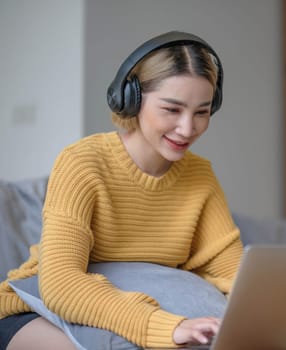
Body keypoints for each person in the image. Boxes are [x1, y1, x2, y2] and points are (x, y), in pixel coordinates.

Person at [0, 31, 243, 349]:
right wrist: (162, 326)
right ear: (131, 99)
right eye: (172, 109)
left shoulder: (200, 175)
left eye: (201, 112)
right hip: (36, 311)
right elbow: (60, 284)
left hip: (136, 314)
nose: (187, 128)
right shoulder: (82, 163)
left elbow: (232, 272)